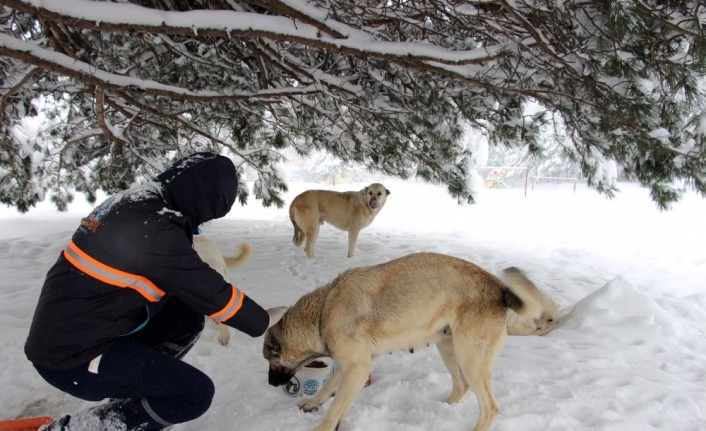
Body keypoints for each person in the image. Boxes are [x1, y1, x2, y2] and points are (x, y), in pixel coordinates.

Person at [24, 152, 287, 431]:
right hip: (72, 357)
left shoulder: (137, 203)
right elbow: (207, 288)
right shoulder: (155, 228)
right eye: (212, 211)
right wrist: (264, 319)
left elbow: (190, 288)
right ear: (202, 198)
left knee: (186, 315)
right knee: (195, 394)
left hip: (80, 331)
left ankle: (138, 393)